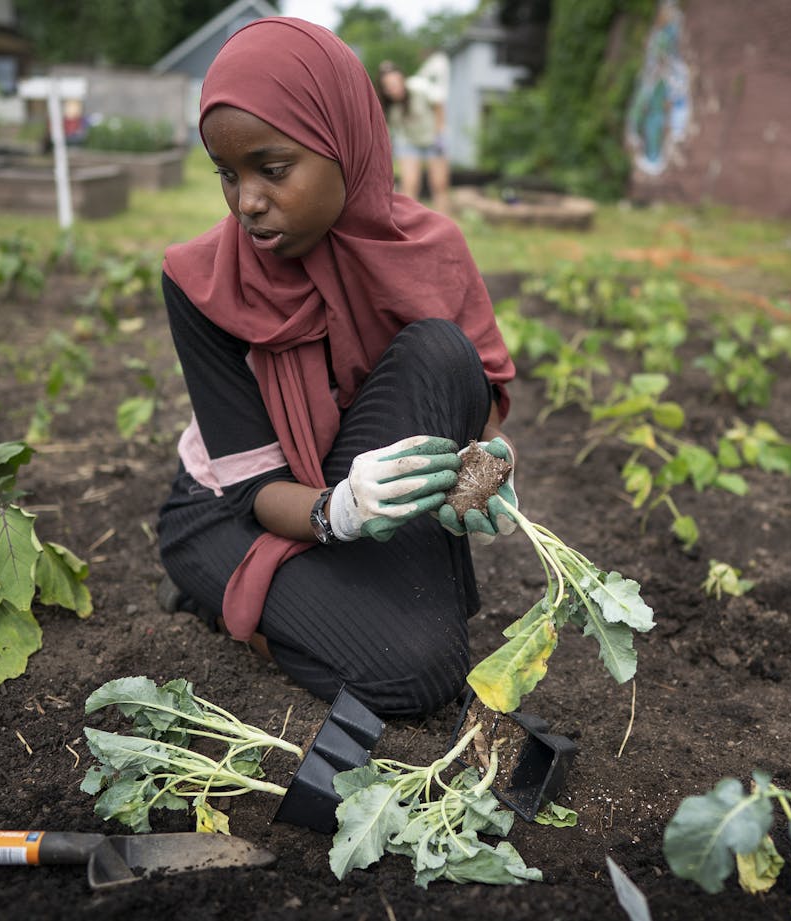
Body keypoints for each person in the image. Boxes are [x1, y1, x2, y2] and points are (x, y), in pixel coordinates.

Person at [154, 18, 518, 719]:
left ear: (345, 143)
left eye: (273, 168)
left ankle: (336, 599)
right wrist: (339, 509)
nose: (247, 201)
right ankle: (234, 604)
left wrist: (483, 475)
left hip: (350, 471)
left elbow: (472, 407)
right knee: (421, 674)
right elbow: (254, 484)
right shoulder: (202, 281)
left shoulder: (428, 251)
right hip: (233, 511)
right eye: (227, 175)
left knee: (443, 349)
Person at [379, 54, 451, 214]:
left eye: (396, 83)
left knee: (439, 184)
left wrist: (440, 133)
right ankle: (409, 227)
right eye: (389, 85)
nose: (393, 88)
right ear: (384, 88)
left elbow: (439, 106)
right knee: (409, 184)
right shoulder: (387, 105)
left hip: (433, 140)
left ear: (403, 81)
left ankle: (445, 225)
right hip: (408, 143)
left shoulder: (418, 88)